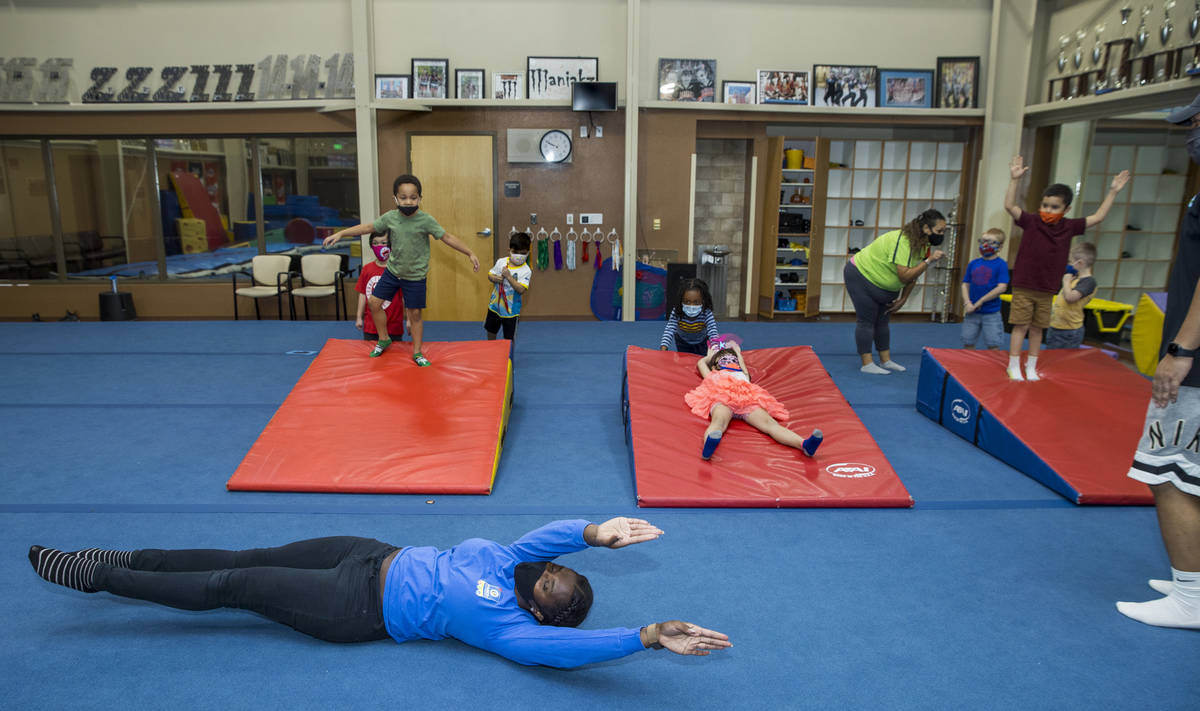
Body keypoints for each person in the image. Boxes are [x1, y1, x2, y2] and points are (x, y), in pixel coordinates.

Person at [27, 517, 732, 667]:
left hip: (354, 606)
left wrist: (643, 635)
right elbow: (549, 537)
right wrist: (593, 532)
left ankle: (96, 576)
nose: (551, 571)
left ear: (545, 610)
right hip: (366, 551)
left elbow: (565, 652)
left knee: (231, 584)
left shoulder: (510, 626)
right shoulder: (511, 558)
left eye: (556, 583)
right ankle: (131, 552)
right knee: (248, 551)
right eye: (560, 567)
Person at [1116, 97, 1200, 630]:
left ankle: (1191, 597)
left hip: (1196, 364)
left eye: (1197, 122)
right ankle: (1192, 578)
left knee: (1166, 472)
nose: (1191, 132)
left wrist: (1182, 350)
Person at [323, 174, 480, 365]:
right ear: (395, 198)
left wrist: (469, 252)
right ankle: (383, 338)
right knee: (374, 303)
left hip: (415, 276)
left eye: (413, 198)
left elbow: (446, 237)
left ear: (420, 198)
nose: (408, 202)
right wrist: (341, 234)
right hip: (393, 272)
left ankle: (417, 352)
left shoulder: (425, 220)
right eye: (403, 198)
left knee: (414, 314)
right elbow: (367, 227)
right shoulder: (390, 217)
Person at [1003, 156, 1128, 380]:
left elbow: (1098, 217)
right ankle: (1013, 364)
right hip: (1024, 283)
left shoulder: (1070, 226)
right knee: (1020, 325)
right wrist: (1014, 180)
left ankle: (1031, 366)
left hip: (1047, 288)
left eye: (1054, 207)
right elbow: (1010, 206)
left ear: (1066, 208)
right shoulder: (1031, 221)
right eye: (1045, 205)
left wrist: (1113, 191)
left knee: (1038, 328)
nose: (1048, 210)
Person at [843, 209, 947, 374]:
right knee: (867, 320)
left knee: (882, 321)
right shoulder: (903, 241)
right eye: (939, 231)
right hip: (860, 275)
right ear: (927, 228)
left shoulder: (923, 245)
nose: (941, 235)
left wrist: (903, 299)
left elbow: (915, 274)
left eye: (943, 231)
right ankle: (867, 363)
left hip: (882, 284)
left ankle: (886, 360)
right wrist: (929, 261)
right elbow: (905, 276)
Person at [684, 340, 823, 460]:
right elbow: (701, 363)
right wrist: (710, 356)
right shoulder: (713, 374)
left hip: (748, 399)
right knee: (719, 421)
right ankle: (709, 445)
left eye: (732, 360)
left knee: (770, 424)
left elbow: (742, 362)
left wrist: (737, 352)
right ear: (714, 366)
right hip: (723, 397)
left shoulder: (742, 374)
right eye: (723, 360)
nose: (729, 361)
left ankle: (804, 444)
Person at [960, 228, 1010, 350]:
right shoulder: (973, 263)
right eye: (983, 241)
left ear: (1000, 246)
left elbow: (1002, 287)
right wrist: (967, 302)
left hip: (991, 313)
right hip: (972, 312)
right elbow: (965, 284)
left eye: (991, 242)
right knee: (968, 341)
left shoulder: (1001, 264)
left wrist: (981, 301)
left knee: (993, 343)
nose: (986, 245)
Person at [354, 229, 405, 344]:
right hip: (371, 325)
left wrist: (410, 320)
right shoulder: (367, 269)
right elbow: (362, 294)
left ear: (391, 245)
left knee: (394, 358)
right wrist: (358, 316)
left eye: (383, 243)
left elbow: (405, 296)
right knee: (373, 358)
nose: (379, 246)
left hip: (393, 325)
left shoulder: (398, 270)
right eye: (375, 243)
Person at [1044, 242, 1098, 349]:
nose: (1069, 264)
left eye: (1071, 262)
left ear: (1080, 263)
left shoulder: (1088, 282)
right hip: (1056, 326)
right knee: (1051, 358)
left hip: (1069, 331)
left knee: (1063, 361)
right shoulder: (1075, 279)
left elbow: (1070, 298)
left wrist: (1066, 281)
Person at [485, 231, 532, 342]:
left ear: (528, 253)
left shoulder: (526, 270)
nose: (519, 256)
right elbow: (490, 274)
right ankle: (491, 349)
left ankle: (509, 357)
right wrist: (494, 278)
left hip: (511, 311)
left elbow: (521, 289)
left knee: (509, 337)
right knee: (491, 330)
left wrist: (509, 277)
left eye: (523, 253)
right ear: (509, 250)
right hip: (494, 306)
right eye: (516, 252)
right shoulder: (501, 262)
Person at [659, 278, 719, 354]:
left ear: (703, 301)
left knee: (701, 361)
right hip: (682, 341)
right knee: (684, 361)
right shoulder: (677, 311)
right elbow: (670, 329)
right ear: (681, 300)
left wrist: (716, 348)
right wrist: (664, 346)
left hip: (702, 342)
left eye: (696, 302)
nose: (691, 306)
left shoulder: (706, 312)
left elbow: (712, 331)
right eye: (687, 301)